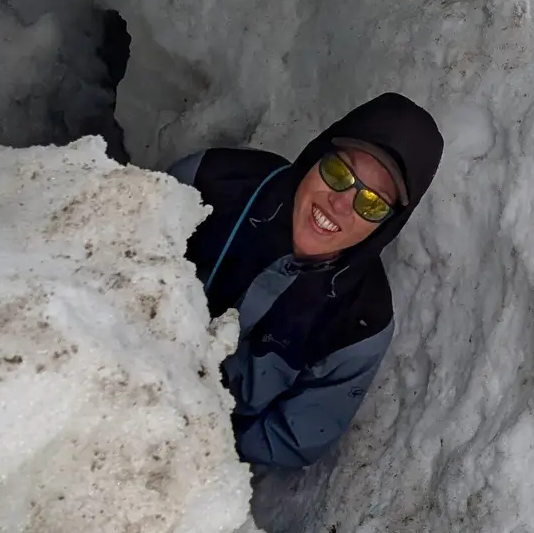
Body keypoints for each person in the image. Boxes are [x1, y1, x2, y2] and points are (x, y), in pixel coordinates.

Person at [167, 93, 443, 470]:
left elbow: (292, 437)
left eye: (372, 203)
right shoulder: (215, 180)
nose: (340, 204)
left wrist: (200, 440)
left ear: (387, 225)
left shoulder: (360, 326)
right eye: (339, 173)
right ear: (317, 155)